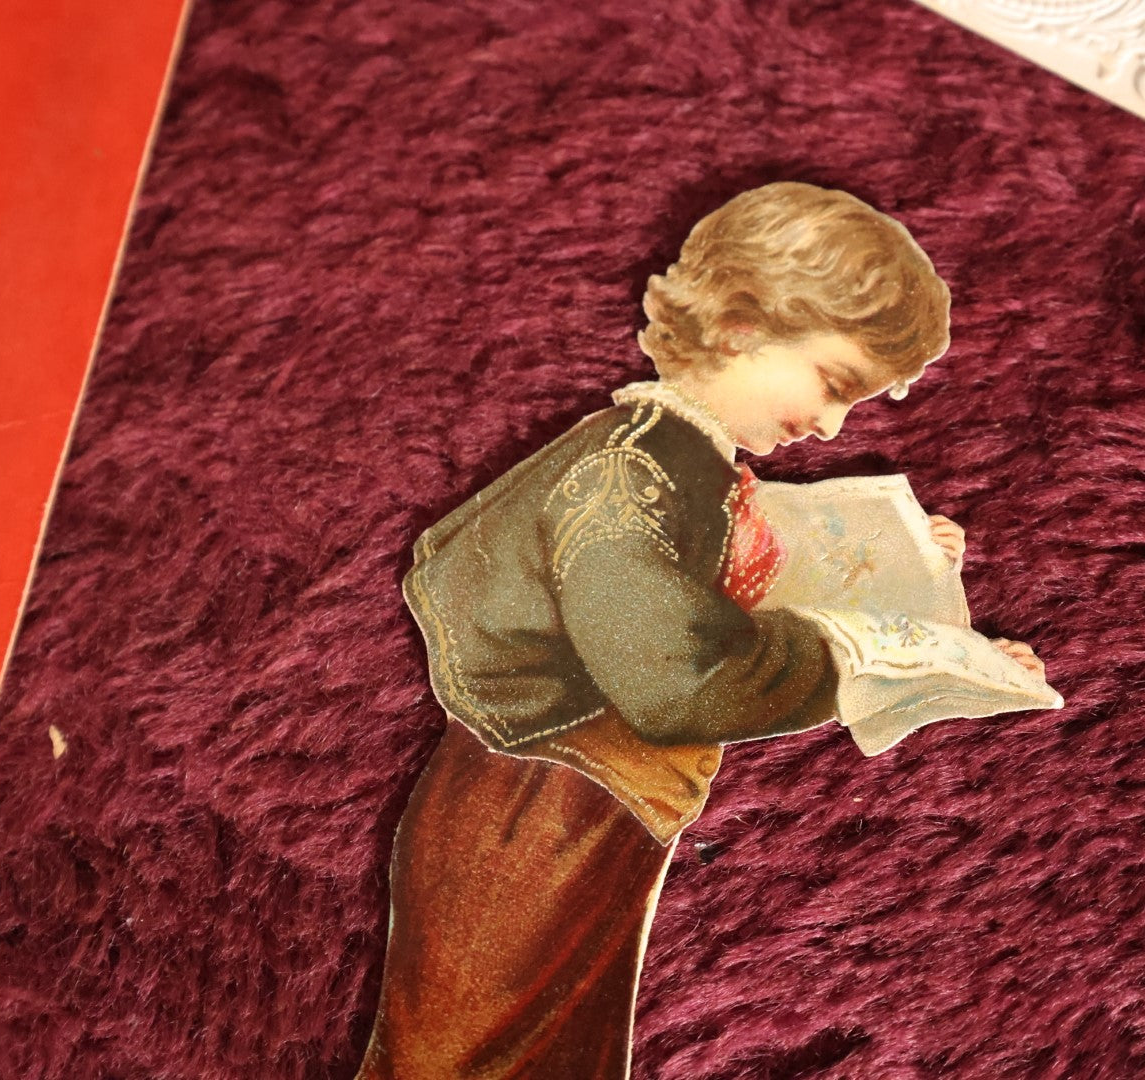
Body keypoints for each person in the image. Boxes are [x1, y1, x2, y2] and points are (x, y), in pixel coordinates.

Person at [354, 181, 1046, 1079]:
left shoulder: (672, 461)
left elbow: (725, 586)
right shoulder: (626, 473)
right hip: (534, 813)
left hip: (580, 806)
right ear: (738, 328)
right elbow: (678, 681)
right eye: (834, 385)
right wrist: (887, 653)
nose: (831, 426)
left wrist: (907, 566)